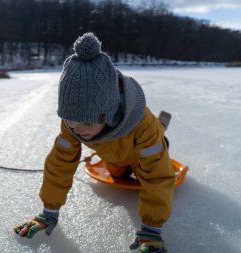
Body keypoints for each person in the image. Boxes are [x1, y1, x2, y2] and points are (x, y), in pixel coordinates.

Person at [14, 32, 175, 253]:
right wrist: (48, 212)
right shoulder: (73, 124)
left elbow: (157, 176)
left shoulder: (143, 125)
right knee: (118, 174)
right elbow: (59, 164)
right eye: (70, 121)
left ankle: (162, 127)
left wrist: (151, 228)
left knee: (146, 168)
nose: (77, 129)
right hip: (113, 153)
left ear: (107, 115)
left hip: (142, 152)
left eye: (86, 123)